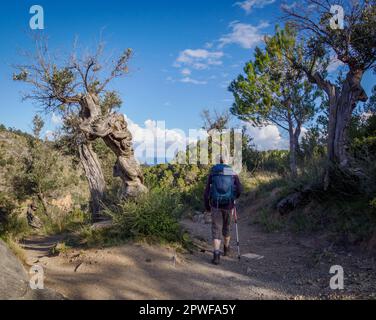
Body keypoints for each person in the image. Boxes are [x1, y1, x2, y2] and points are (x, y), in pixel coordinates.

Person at [204, 157, 242, 265]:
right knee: (227, 227)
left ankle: (216, 255)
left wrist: (207, 206)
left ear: (218, 162)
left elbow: (206, 192)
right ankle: (226, 249)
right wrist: (235, 197)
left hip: (215, 205)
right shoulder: (232, 173)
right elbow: (239, 189)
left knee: (216, 229)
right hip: (229, 205)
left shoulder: (213, 173)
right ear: (227, 162)